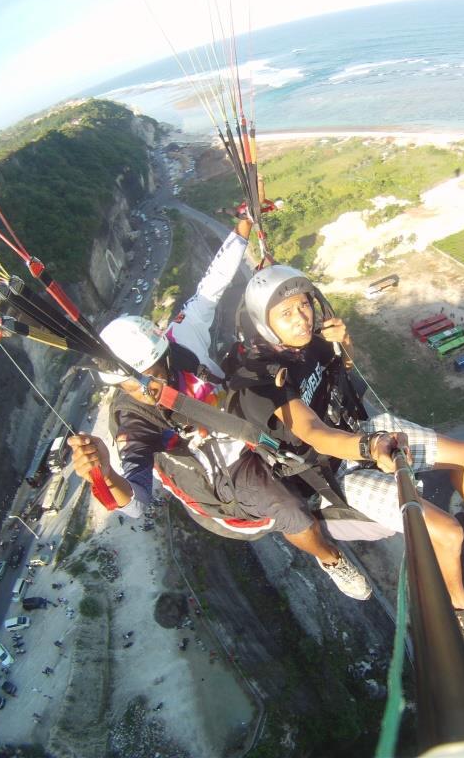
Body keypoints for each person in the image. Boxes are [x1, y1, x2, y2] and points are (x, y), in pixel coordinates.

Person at [69, 217, 371, 600]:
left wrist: (242, 229)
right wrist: (106, 474)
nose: (151, 385)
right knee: (292, 510)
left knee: (295, 398)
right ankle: (330, 559)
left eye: (156, 370)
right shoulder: (134, 419)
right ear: (118, 385)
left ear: (164, 351)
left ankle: (350, 466)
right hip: (224, 471)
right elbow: (135, 505)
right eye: (136, 381)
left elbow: (210, 289)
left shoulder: (182, 341)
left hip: (239, 416)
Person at [229, 264, 464, 646]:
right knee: (447, 532)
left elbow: (346, 368)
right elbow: (314, 434)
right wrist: (370, 447)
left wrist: (342, 340)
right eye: (286, 314)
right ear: (264, 325)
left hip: (362, 428)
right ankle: (460, 602)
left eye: (304, 306)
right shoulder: (261, 380)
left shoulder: (311, 339)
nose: (301, 319)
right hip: (339, 471)